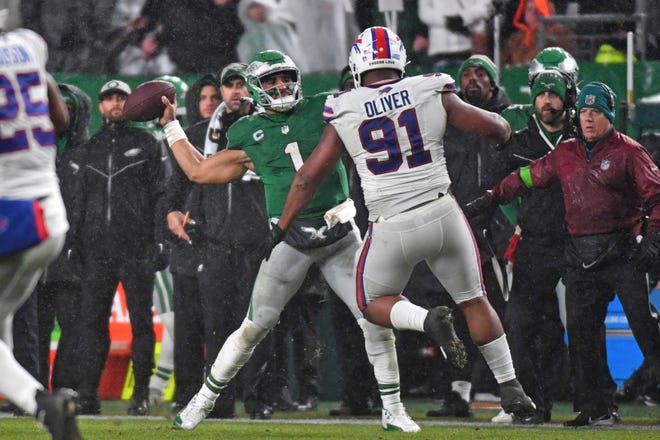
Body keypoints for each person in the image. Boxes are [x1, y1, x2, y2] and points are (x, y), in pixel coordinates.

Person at [274, 26, 537, 424]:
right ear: (399, 59)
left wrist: (281, 228)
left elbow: (308, 177)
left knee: (371, 303)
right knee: (474, 300)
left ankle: (425, 320)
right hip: (443, 212)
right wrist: (503, 136)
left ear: (358, 65)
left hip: (391, 223)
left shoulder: (345, 105)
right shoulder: (429, 88)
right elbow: (495, 126)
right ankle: (511, 385)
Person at [161, 49, 423, 433]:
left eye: (285, 77)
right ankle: (202, 402)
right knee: (254, 326)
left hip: (339, 237)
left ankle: (394, 409)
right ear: (256, 89)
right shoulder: (246, 132)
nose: (281, 86)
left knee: (373, 320)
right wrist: (171, 127)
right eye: (270, 81)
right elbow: (199, 171)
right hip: (290, 239)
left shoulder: (326, 107)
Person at [465, 81, 660, 427]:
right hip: (581, 256)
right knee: (582, 334)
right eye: (584, 111)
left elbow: (656, 196)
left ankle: (633, 391)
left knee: (644, 327)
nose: (588, 119)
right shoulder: (564, 153)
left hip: (623, 252)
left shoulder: (630, 152)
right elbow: (526, 176)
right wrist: (492, 197)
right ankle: (595, 408)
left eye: (596, 112)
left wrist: (653, 239)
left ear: (609, 116)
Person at [167, 63, 274, 420]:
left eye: (240, 84)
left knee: (257, 327)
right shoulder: (198, 135)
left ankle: (259, 401)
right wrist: (173, 211)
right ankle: (220, 402)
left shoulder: (269, 130)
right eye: (229, 85)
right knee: (215, 328)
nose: (234, 91)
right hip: (214, 245)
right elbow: (179, 188)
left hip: (258, 245)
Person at [0, 3, 84, 438]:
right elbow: (61, 118)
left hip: (9, 219)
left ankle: (43, 403)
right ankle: (49, 411)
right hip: (50, 216)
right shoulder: (30, 47)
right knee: (1, 324)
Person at [426, 54, 513, 418]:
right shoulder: (447, 124)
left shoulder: (510, 121)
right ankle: (459, 392)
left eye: (481, 74)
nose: (473, 80)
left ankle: (505, 387)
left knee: (505, 313)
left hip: (497, 234)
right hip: (458, 230)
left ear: (493, 83)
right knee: (454, 316)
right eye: (467, 75)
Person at [73, 79, 167, 416]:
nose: (115, 103)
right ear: (100, 106)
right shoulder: (90, 147)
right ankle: (88, 395)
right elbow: (79, 202)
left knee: (142, 323)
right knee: (92, 324)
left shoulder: (147, 143)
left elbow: (161, 195)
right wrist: (74, 243)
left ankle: (140, 394)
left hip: (137, 249)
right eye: (109, 98)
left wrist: (158, 239)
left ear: (132, 104)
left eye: (121, 98)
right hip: (96, 251)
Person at [491, 68, 577, 424]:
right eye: (541, 94)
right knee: (521, 324)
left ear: (567, 98)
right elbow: (502, 187)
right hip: (535, 242)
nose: (546, 100)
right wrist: (516, 222)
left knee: (580, 324)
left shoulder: (581, 136)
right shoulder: (522, 141)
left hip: (578, 244)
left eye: (553, 93)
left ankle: (595, 402)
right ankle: (532, 404)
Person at [326, 65, 380, 417]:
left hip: (378, 242)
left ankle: (382, 393)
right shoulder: (328, 141)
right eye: (345, 89)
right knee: (346, 325)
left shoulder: (380, 135)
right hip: (339, 245)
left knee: (378, 319)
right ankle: (355, 394)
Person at [36, 83, 92, 393]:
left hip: (71, 261)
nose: (62, 116)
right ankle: (32, 393)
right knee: (34, 331)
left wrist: (79, 249)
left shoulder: (88, 155)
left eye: (70, 109)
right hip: (35, 259)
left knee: (73, 331)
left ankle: (65, 391)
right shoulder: (37, 153)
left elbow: (91, 210)